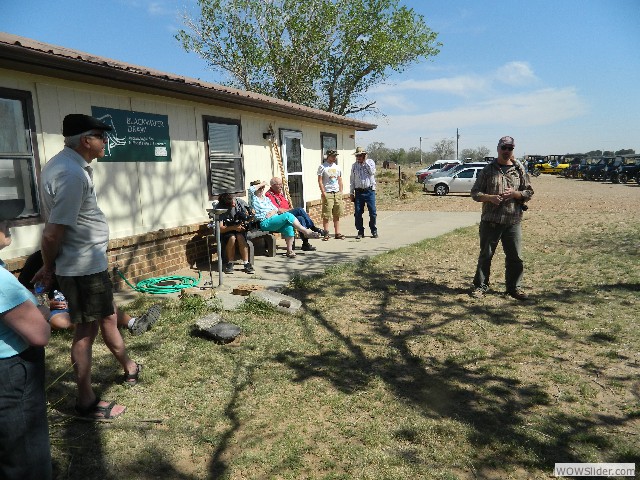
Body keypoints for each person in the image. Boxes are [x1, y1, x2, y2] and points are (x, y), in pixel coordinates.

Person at [33, 114, 137, 420]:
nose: (106, 142)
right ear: (85, 140)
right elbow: (53, 232)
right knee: (86, 331)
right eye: (101, 137)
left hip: (86, 263)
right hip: (82, 267)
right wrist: (48, 267)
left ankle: (129, 366)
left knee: (107, 317)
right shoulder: (71, 175)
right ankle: (86, 401)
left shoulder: (66, 166)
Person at [0, 207, 53, 480]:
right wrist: (42, 312)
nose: (7, 223)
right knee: (26, 455)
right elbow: (39, 335)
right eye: (0, 219)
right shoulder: (1, 282)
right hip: (12, 373)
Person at [18, 250, 161, 333]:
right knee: (59, 322)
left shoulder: (73, 258)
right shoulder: (35, 261)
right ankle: (92, 323)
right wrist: (46, 304)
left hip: (78, 298)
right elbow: (23, 293)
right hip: (57, 303)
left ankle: (134, 323)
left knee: (102, 304)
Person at [470, 136, 534, 301]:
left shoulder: (519, 170)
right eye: (504, 147)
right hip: (491, 222)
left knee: (516, 257)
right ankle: (480, 287)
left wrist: (515, 194)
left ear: (513, 149)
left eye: (510, 148)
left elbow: (529, 192)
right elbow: (475, 193)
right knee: (486, 256)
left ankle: (514, 288)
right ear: (498, 148)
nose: (506, 151)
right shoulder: (488, 170)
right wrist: (490, 198)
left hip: (513, 222)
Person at [248, 180, 320, 258]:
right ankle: (306, 231)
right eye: (260, 188)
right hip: (264, 222)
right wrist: (263, 183)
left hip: (274, 219)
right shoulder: (253, 198)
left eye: (263, 188)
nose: (262, 189)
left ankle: (289, 251)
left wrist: (273, 212)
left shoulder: (266, 199)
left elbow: (276, 209)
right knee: (288, 215)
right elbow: (250, 189)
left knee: (288, 226)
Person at [265, 177, 326, 251]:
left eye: (282, 184)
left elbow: (287, 206)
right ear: (273, 185)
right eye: (279, 184)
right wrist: (289, 210)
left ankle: (305, 244)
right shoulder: (269, 195)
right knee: (299, 210)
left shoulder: (280, 194)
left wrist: (289, 209)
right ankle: (313, 228)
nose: (281, 186)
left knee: (300, 218)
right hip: (280, 217)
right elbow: (278, 210)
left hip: (287, 213)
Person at [216, 192, 254, 274]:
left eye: (233, 201)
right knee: (232, 238)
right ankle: (230, 263)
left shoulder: (240, 202)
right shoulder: (219, 208)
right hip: (227, 229)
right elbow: (220, 228)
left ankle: (246, 263)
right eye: (231, 204)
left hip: (239, 227)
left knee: (240, 237)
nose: (234, 204)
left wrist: (250, 216)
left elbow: (248, 218)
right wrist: (234, 228)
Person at [349, 146, 378, 239]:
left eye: (360, 155)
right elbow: (352, 180)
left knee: (372, 212)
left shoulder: (370, 163)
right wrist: (351, 193)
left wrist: (365, 162)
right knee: (357, 212)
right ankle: (360, 231)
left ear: (364, 155)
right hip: (358, 192)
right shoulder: (354, 166)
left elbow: (372, 172)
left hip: (369, 191)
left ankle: (373, 230)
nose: (358, 158)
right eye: (357, 156)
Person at [317, 149, 345, 240]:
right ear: (328, 156)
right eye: (332, 156)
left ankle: (337, 233)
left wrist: (341, 191)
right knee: (326, 214)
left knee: (337, 213)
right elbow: (320, 180)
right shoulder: (323, 167)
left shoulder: (337, 167)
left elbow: (340, 179)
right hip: (328, 193)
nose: (334, 158)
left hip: (336, 193)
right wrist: (323, 192)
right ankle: (326, 233)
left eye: (335, 156)